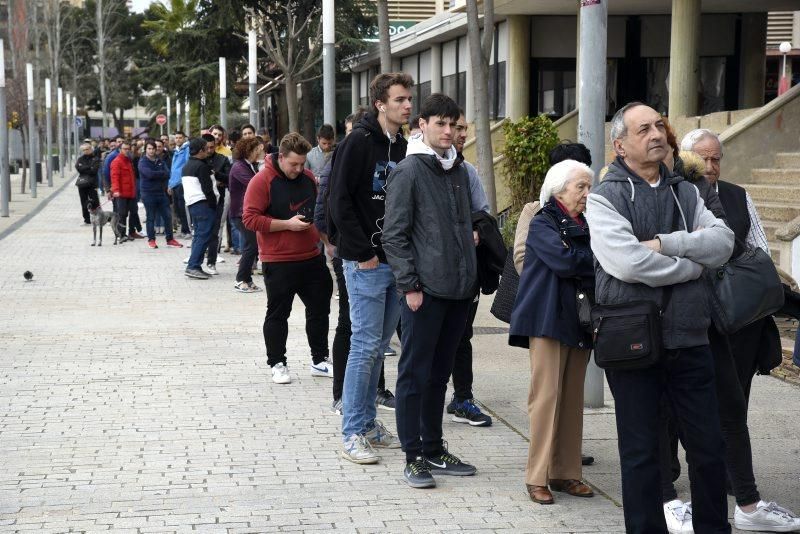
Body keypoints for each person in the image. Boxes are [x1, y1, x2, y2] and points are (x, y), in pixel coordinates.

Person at [585, 102, 734, 533]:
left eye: (659, 126)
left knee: (707, 449)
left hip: (690, 338)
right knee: (641, 454)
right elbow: (629, 264)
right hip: (632, 342)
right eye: (643, 129)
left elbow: (723, 243)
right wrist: (692, 263)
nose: (656, 134)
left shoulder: (687, 192)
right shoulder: (603, 198)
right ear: (620, 146)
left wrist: (666, 244)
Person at [654, 129, 800, 533]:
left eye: (717, 158)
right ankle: (666, 494)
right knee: (668, 410)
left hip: (731, 322)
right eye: (704, 159)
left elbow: (749, 248)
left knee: (732, 409)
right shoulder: (667, 192)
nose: (712, 166)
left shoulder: (730, 195)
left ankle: (746, 501)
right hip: (679, 318)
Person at [383, 93, 478, 488]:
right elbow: (394, 234)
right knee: (414, 374)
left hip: (458, 290)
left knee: (440, 374)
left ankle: (434, 447)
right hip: (425, 291)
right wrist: (409, 285)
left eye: (453, 125)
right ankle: (413, 455)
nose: (448, 131)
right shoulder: (409, 169)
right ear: (421, 124)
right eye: (439, 123)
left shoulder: (457, 169)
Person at [328, 72, 414, 464]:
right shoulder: (357, 142)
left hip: (395, 261)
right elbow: (338, 202)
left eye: (409, 99)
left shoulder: (402, 145)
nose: (407, 105)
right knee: (363, 345)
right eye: (399, 99)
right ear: (381, 103)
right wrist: (362, 252)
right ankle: (351, 433)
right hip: (365, 262)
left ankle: (366, 423)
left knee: (379, 347)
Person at [509, 160, 595, 505]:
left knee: (573, 399)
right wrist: (595, 256)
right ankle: (537, 477)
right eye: (581, 187)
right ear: (559, 188)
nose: (587, 194)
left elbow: (579, 259)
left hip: (579, 319)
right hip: (547, 319)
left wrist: (586, 256)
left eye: (589, 187)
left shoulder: (588, 222)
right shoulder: (544, 220)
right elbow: (566, 262)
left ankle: (565, 473)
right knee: (545, 399)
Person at [314, 108, 394, 416]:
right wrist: (340, 247)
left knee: (376, 341)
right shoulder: (349, 151)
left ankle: (373, 399)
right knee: (354, 330)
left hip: (383, 257)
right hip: (354, 254)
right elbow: (329, 206)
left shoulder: (392, 147)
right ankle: (344, 401)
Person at [242, 132, 333, 385]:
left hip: (312, 257)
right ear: (280, 157)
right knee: (278, 313)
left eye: (302, 163)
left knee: (320, 310)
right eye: (293, 163)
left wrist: (327, 243)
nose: (299, 168)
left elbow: (317, 214)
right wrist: (286, 225)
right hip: (278, 260)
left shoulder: (308, 178)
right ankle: (277, 363)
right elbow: (249, 219)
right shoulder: (262, 181)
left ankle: (320, 360)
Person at [443, 112, 493, 427]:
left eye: (462, 127)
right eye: (452, 127)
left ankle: (462, 397)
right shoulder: (416, 168)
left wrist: (477, 229)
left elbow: (483, 213)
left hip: (465, 271)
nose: (459, 133)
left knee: (462, 335)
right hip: (429, 274)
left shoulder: (468, 172)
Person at [229, 136, 264, 293]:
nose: (261, 151)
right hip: (239, 213)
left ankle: (247, 280)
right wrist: (264, 165)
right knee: (251, 245)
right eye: (258, 149)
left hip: (246, 212)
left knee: (253, 245)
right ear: (250, 151)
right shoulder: (239, 167)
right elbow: (255, 184)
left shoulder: (250, 165)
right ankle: (241, 279)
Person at [182, 137, 217, 280]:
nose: (208, 150)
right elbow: (207, 189)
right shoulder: (201, 166)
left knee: (198, 236)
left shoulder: (187, 165)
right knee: (203, 236)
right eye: (206, 148)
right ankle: (193, 266)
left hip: (192, 205)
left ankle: (194, 265)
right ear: (201, 150)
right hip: (203, 204)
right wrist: (213, 204)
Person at [138, 140, 183, 249]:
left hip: (161, 193)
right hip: (148, 193)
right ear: (146, 150)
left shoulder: (160, 161)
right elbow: (148, 174)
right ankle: (151, 240)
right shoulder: (142, 161)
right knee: (151, 217)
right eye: (149, 148)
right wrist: (160, 174)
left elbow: (168, 173)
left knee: (167, 216)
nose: (151, 151)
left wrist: (157, 174)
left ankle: (170, 239)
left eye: (153, 148)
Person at [201, 132, 231, 275]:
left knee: (214, 231)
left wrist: (216, 175)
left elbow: (229, 178)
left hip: (218, 200)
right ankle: (196, 260)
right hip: (201, 200)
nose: (209, 151)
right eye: (206, 148)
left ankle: (211, 262)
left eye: (211, 147)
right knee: (200, 231)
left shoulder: (222, 159)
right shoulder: (198, 160)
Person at [109, 141, 140, 242]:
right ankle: (121, 234)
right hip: (121, 193)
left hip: (131, 193)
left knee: (134, 212)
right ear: (120, 150)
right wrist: (116, 190)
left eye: (128, 149)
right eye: (124, 149)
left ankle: (131, 232)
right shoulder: (117, 162)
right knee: (122, 214)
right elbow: (114, 177)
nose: (127, 151)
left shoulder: (129, 160)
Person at [169, 131, 191, 238]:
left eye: (180, 137)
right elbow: (173, 169)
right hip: (174, 183)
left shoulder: (187, 149)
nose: (178, 139)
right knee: (178, 209)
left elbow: (187, 164)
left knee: (183, 208)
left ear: (184, 138)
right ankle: (183, 230)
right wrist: (170, 184)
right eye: (176, 138)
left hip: (182, 182)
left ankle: (187, 231)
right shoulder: (176, 151)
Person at [76, 143, 100, 225]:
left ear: (91, 149)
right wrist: (89, 167)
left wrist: (84, 168)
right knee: (83, 201)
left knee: (95, 201)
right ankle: (87, 220)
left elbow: (94, 170)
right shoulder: (80, 159)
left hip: (92, 183)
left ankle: (99, 217)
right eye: (84, 150)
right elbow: (78, 168)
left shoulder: (95, 158)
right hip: (82, 184)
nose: (86, 151)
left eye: (87, 149)